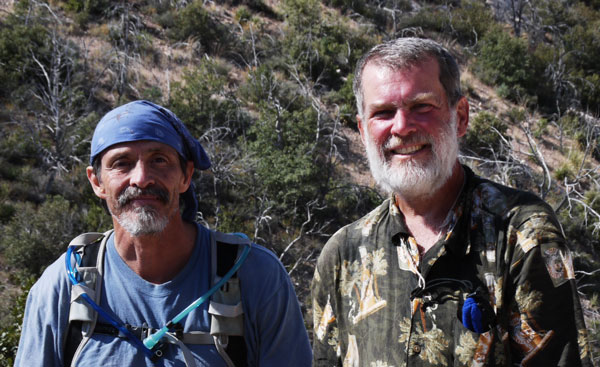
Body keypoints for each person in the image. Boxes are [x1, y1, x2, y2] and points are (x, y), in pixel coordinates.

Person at [311, 38, 593, 366]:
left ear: (459, 117)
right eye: (383, 113)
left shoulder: (522, 234)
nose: (401, 127)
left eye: (422, 106)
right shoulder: (343, 254)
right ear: (362, 130)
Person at [15, 100, 312, 367]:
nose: (141, 179)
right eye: (122, 163)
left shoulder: (255, 275)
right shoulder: (63, 286)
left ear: (185, 176)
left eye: (159, 160)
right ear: (97, 182)